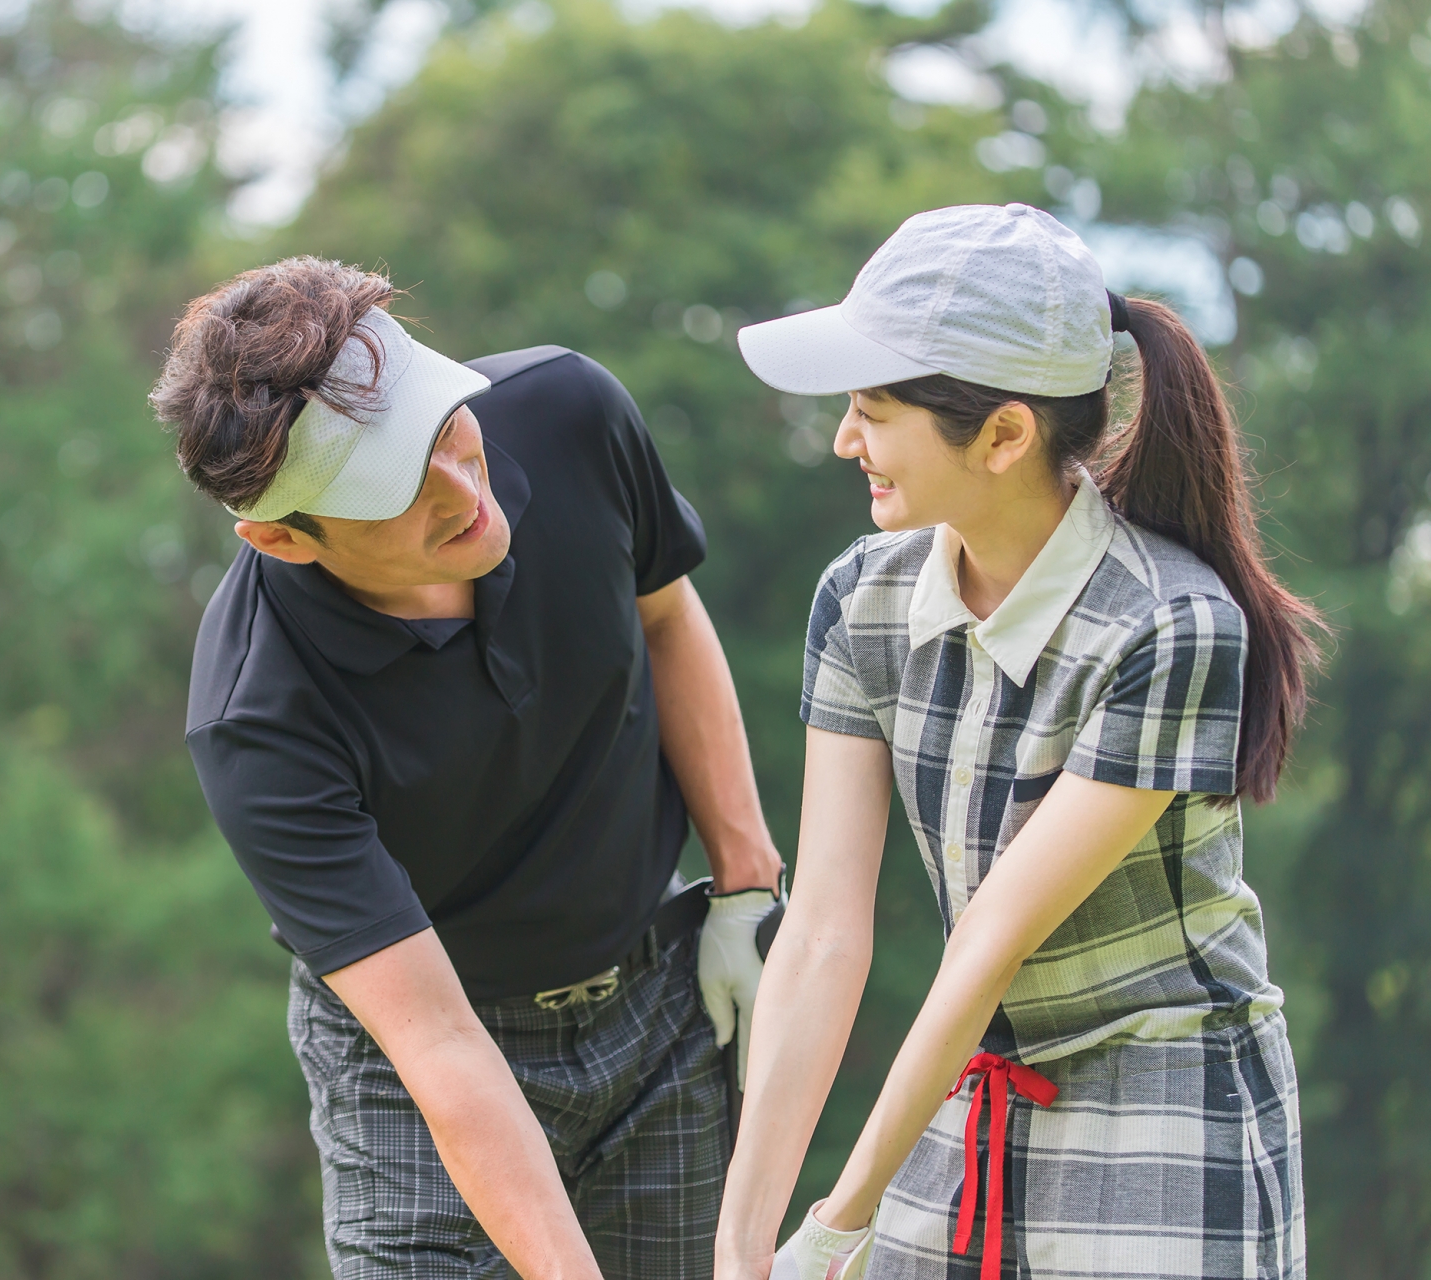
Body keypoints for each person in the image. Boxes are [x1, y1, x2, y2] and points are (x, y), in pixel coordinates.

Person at [714, 204, 1321, 1280]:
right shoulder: (861, 599)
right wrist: (744, 1242)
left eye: (870, 412)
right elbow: (820, 935)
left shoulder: (1171, 625)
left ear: (1002, 436)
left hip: (1165, 1097)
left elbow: (986, 946)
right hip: (975, 1080)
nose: (845, 440)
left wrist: (841, 1223)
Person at [154, 257, 786, 1280]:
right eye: (394, 489)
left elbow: (664, 614)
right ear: (281, 536)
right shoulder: (256, 717)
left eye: (440, 430)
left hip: (657, 998)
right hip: (420, 1056)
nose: (463, 490)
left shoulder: (566, 411)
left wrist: (745, 885)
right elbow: (440, 1047)